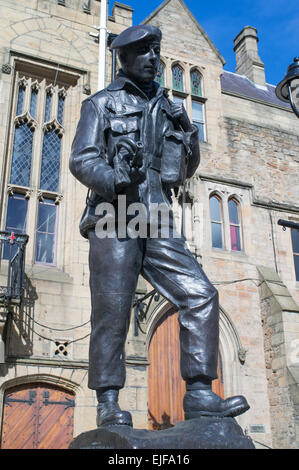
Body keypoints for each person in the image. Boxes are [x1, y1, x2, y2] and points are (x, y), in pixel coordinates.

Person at [69, 25, 249, 427]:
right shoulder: (101, 104)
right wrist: (114, 176)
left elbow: (182, 171)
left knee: (200, 293)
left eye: (156, 50)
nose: (154, 58)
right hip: (114, 214)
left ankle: (201, 394)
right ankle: (108, 401)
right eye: (145, 51)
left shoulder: (167, 106)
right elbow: (81, 158)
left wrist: (188, 136)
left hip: (157, 214)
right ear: (125, 58)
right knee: (112, 309)